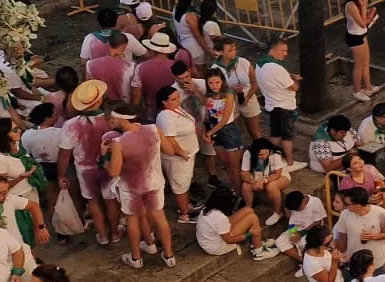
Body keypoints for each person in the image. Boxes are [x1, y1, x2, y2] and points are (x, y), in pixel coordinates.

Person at [102, 103, 174, 269]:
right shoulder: (154, 129)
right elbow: (169, 150)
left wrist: (103, 157)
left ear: (121, 119)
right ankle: (169, 256)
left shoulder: (119, 143)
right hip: (154, 182)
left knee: (132, 219)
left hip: (131, 188)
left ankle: (136, 258)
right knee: (160, 218)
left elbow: (114, 172)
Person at [153, 85, 200, 222]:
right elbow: (169, 139)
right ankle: (184, 214)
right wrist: (181, 153)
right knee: (180, 184)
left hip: (188, 153)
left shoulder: (175, 109)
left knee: (184, 182)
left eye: (178, 97)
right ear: (164, 102)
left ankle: (185, 205)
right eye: (174, 99)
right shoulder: (166, 117)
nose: (178, 100)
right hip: (178, 158)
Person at [196, 185, 277, 259]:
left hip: (210, 238)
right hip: (217, 245)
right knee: (252, 218)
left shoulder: (208, 208)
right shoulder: (220, 218)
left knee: (248, 210)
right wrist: (249, 234)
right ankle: (259, 251)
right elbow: (229, 240)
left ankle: (256, 241)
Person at [257, 38, 301, 165]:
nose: (286, 54)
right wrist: (296, 79)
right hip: (284, 106)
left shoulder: (260, 64)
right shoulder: (276, 68)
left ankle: (275, 160)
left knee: (275, 133)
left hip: (272, 104)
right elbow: (294, 87)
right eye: (283, 50)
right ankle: (290, 162)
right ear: (273, 49)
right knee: (287, 136)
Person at [345, 0, 381, 101]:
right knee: (359, 65)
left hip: (362, 34)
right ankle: (357, 90)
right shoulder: (351, 6)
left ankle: (368, 87)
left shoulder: (359, 4)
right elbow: (362, 23)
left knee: (366, 61)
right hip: (355, 37)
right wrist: (368, 13)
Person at [241, 138, 292, 219]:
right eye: (260, 154)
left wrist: (264, 180)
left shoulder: (276, 154)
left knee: (271, 186)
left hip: (280, 176)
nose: (264, 156)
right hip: (258, 177)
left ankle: (277, 212)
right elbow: (244, 173)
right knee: (245, 185)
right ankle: (249, 210)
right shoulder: (248, 153)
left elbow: (277, 174)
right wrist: (252, 181)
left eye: (266, 153)